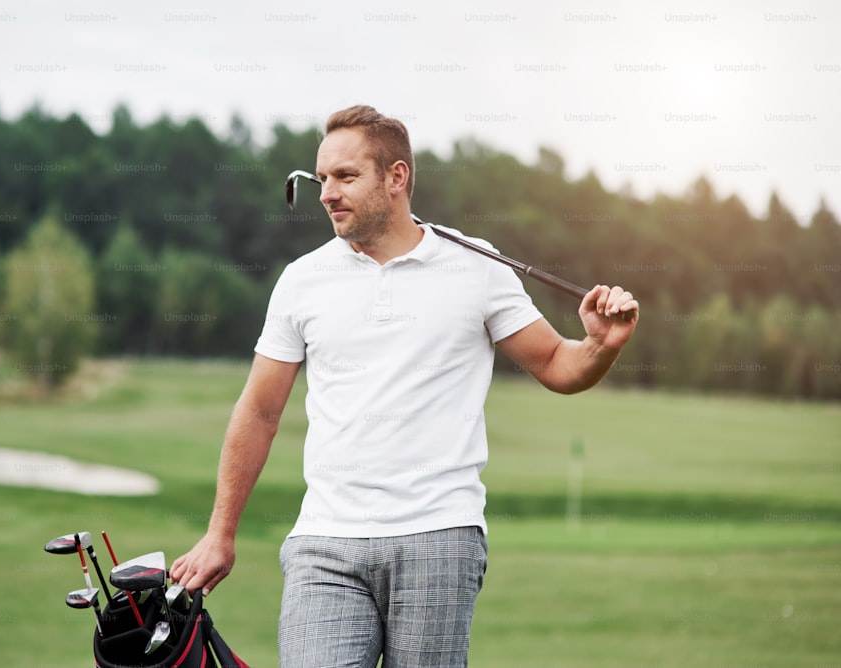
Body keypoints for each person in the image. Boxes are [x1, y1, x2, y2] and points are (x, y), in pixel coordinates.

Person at [170, 104, 639, 667]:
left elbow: (558, 366)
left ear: (396, 178)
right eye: (321, 179)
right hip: (324, 541)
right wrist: (220, 533)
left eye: (346, 176)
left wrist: (599, 346)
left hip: (438, 538)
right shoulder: (302, 282)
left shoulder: (476, 266)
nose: (326, 193)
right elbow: (260, 411)